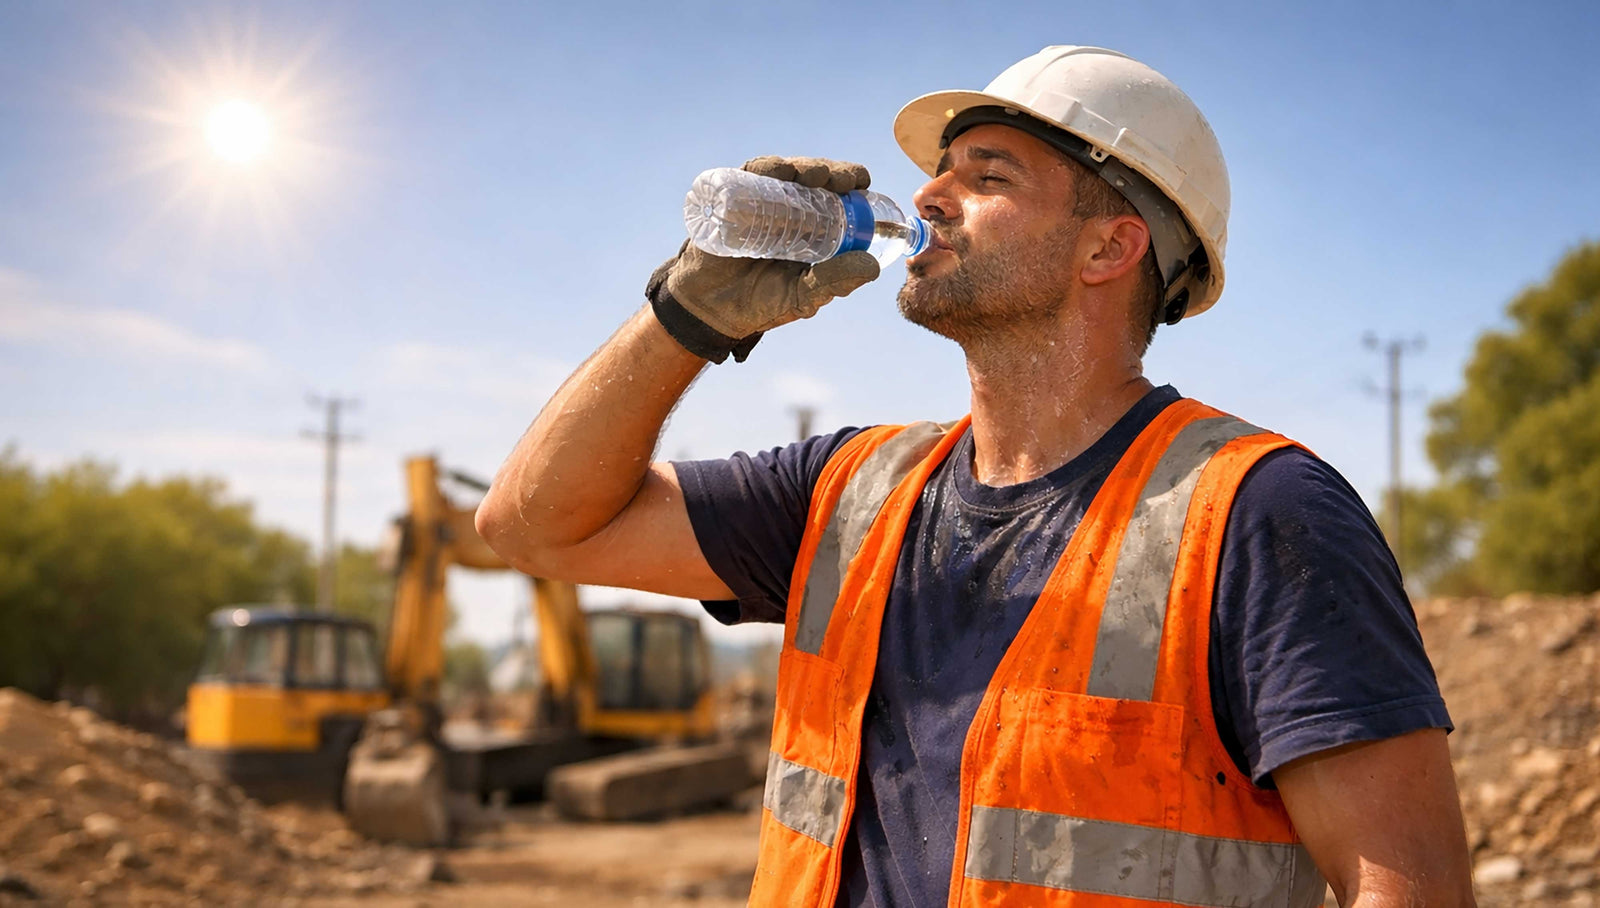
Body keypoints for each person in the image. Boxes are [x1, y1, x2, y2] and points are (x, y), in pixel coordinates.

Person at [477, 46, 1476, 908]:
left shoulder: (1256, 514)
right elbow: (534, 524)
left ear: (1107, 246)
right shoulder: (848, 488)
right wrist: (684, 316)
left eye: (985, 176)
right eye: (939, 171)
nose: (924, 197)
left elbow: (1408, 881)